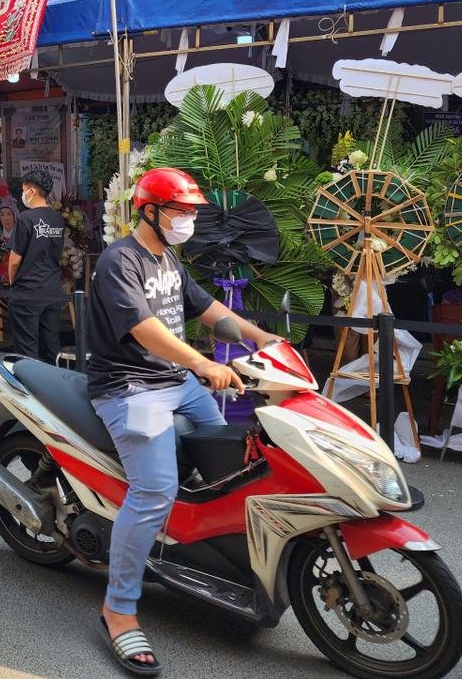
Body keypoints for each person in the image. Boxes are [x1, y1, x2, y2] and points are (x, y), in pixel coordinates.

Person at [86, 167, 281, 675]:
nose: (189, 220)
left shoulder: (167, 257)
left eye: (192, 212)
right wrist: (200, 362)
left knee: (232, 457)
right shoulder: (118, 261)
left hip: (175, 383)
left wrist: (262, 340)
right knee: (154, 490)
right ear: (149, 211)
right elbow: (144, 328)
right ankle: (119, 610)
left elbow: (208, 309)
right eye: (182, 211)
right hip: (129, 388)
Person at [7, 171, 66, 365]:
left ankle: (30, 389)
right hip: (52, 289)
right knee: (50, 346)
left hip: (28, 292)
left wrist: (11, 282)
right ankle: (52, 388)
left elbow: (15, 260)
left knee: (27, 349)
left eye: (24, 190)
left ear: (32, 191)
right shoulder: (57, 218)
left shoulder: (26, 219)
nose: (22, 194)